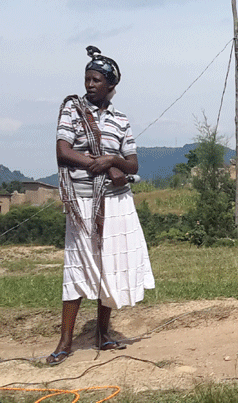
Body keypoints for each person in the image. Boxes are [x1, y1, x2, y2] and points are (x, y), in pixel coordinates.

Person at [47, 46, 154, 365]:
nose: (90, 85)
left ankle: (103, 334)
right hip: (82, 202)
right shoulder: (72, 110)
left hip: (116, 202)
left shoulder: (120, 120)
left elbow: (133, 164)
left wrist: (114, 160)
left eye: (96, 80)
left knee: (110, 266)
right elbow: (63, 152)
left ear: (111, 85)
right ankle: (65, 341)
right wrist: (101, 164)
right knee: (78, 267)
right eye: (87, 79)